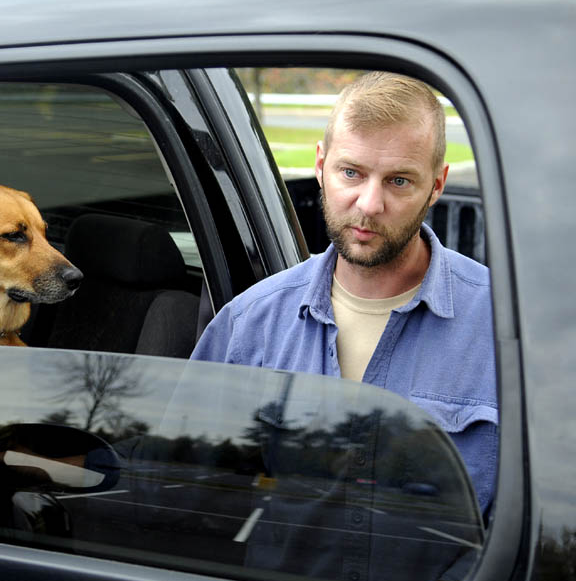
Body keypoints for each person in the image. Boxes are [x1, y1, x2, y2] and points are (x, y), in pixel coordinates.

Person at [191, 72, 497, 516]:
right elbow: (181, 487)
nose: (369, 204)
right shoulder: (249, 325)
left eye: (399, 181)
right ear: (320, 166)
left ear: (437, 184)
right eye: (351, 172)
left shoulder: (502, 325)